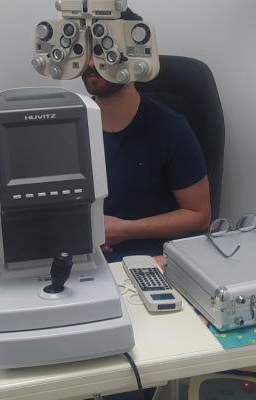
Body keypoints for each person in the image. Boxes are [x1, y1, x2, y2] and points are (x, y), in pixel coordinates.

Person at [82, 9, 211, 264]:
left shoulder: (170, 129)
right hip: (87, 262)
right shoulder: (72, 127)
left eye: (103, 51)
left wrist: (124, 229)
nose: (91, 64)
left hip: (150, 262)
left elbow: (199, 215)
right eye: (86, 51)